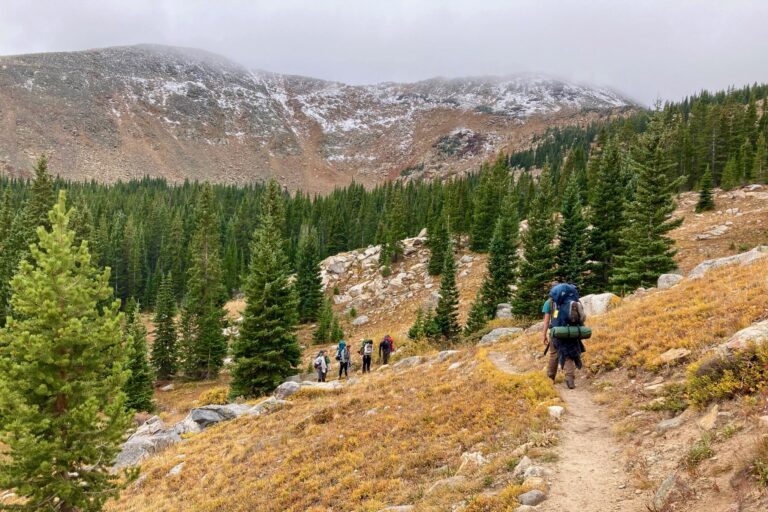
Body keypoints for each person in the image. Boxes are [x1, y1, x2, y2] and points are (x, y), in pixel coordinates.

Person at [542, 283, 585, 389]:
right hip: (571, 332)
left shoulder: (549, 302)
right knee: (569, 356)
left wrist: (544, 335)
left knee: (554, 355)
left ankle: (550, 378)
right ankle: (570, 380)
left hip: (556, 332)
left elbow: (546, 321)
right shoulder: (573, 301)